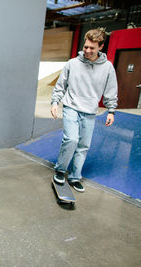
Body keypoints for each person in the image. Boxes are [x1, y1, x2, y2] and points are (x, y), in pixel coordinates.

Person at [50, 28, 118, 192]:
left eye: (91, 48)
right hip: (71, 106)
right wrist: (55, 102)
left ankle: (74, 177)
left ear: (100, 47)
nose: (87, 50)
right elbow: (60, 85)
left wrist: (111, 110)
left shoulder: (107, 67)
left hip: (90, 110)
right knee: (71, 139)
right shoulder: (72, 63)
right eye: (85, 46)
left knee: (83, 145)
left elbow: (111, 90)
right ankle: (60, 170)